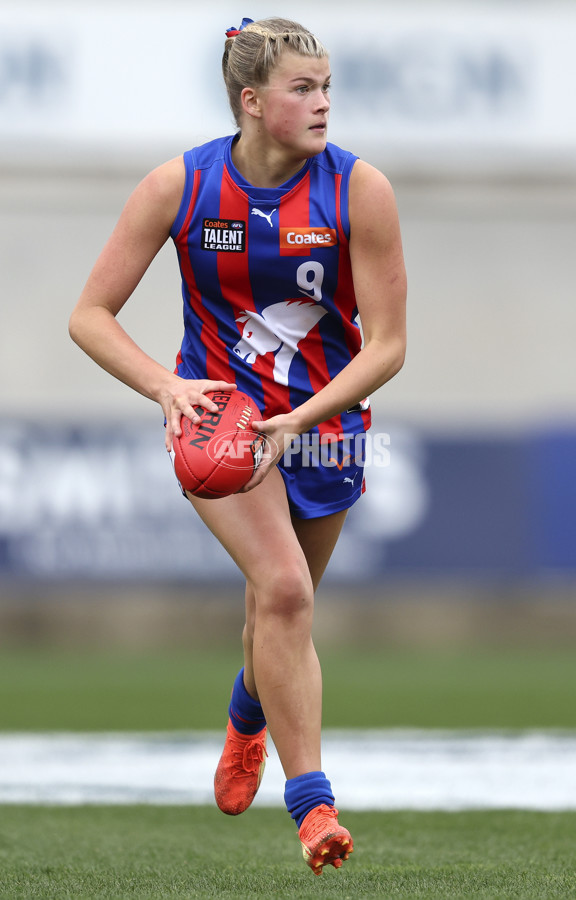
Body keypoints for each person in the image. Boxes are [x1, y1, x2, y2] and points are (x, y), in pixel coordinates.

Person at [69, 15, 406, 875]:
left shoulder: (360, 190)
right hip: (224, 431)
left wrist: (303, 420)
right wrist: (167, 387)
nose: (325, 102)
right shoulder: (178, 185)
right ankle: (313, 807)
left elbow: (388, 345)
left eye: (328, 86)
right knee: (286, 592)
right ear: (252, 101)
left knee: (278, 613)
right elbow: (88, 316)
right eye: (304, 88)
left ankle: (247, 710)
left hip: (324, 426)